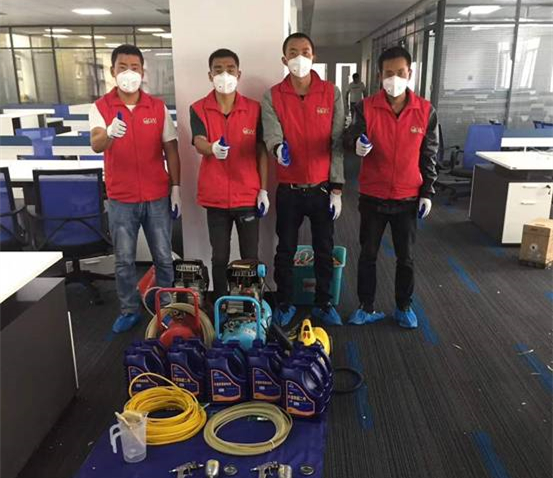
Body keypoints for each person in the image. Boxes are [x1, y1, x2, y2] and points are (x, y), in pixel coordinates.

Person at [90, 44, 181, 333]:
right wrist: (109, 134)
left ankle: (166, 307)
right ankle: (129, 310)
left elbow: (171, 149)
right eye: (122, 67)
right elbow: (95, 143)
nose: (129, 73)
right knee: (124, 260)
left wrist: (176, 187)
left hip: (157, 195)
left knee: (164, 257)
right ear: (112, 71)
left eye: (135, 67)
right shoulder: (101, 107)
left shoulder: (157, 107)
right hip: (121, 198)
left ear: (143, 71)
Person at [348, 46, 438, 329]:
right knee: (368, 255)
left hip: (407, 197)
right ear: (379, 76)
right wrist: (356, 143)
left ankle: (403, 307)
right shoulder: (365, 107)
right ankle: (365, 306)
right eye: (389, 73)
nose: (394, 78)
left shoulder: (425, 111)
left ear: (409, 73)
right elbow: (349, 136)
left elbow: (429, 154)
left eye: (400, 72)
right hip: (372, 195)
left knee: (406, 258)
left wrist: (427, 192)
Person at [262, 32, 345, 326]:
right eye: (293, 52)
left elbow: (337, 142)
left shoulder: (331, 92)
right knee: (285, 249)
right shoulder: (273, 95)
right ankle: (285, 302)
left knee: (324, 248)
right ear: (284, 59)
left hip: (322, 188)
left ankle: (323, 302)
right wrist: (278, 148)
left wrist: (337, 188)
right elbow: (271, 132)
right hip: (289, 188)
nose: (300, 57)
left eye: (305, 52)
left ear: (314, 56)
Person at [190, 48, 269, 299]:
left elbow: (261, 151)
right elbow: (198, 141)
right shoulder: (198, 108)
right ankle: (221, 303)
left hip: (247, 195)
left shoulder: (254, 109)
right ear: (210, 75)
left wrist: (263, 190)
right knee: (219, 257)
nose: (224, 74)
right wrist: (211, 148)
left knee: (250, 257)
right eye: (218, 70)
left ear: (239, 73)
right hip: (215, 197)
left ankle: (251, 305)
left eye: (230, 69)